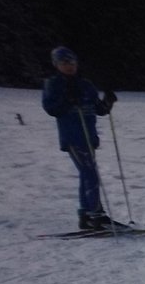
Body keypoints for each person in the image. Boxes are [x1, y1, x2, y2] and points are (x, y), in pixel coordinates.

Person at [41, 46, 123, 230]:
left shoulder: (85, 84)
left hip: (89, 136)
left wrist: (108, 101)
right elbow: (51, 108)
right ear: (56, 64)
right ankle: (96, 215)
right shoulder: (53, 83)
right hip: (73, 136)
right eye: (64, 63)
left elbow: (99, 110)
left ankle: (86, 215)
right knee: (90, 173)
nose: (69, 66)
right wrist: (68, 99)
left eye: (72, 62)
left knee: (86, 174)